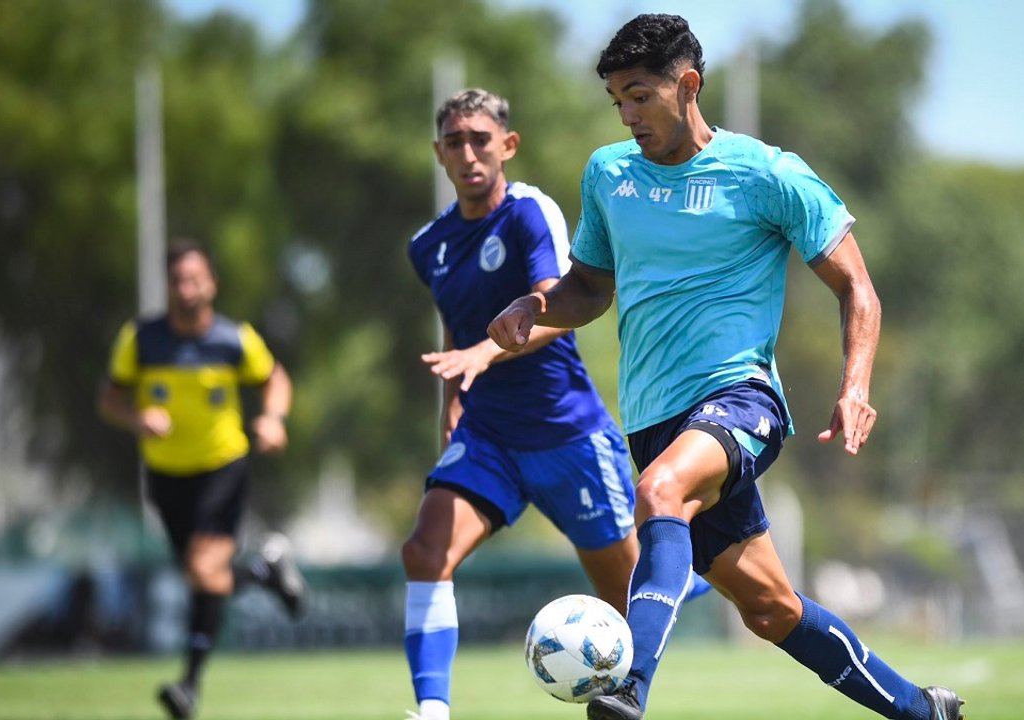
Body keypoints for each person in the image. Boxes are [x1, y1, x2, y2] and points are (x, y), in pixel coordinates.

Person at [489, 14, 965, 720]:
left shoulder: (766, 174)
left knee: (660, 491)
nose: (627, 116)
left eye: (640, 96)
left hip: (741, 401)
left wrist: (855, 385)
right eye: (616, 100)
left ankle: (628, 689)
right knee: (771, 611)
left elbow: (856, 288)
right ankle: (923, 712)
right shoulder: (608, 174)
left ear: (689, 85)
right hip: (652, 418)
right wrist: (535, 305)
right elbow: (591, 287)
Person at [403, 88, 691, 720]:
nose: (469, 153)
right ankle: (431, 710)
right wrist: (454, 398)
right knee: (424, 551)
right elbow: (455, 329)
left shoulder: (530, 212)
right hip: (487, 438)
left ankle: (683, 582)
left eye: (481, 139)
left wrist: (485, 353)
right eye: (455, 142)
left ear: (507, 146)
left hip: (568, 434)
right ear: (439, 153)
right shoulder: (429, 245)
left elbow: (557, 311)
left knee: (628, 592)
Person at [99, 239, 306, 720]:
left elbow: (276, 378)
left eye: (195, 279)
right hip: (166, 476)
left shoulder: (234, 339)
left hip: (222, 467)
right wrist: (136, 417)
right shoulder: (142, 340)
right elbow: (109, 397)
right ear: (167, 286)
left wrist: (273, 419)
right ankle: (263, 572)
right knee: (204, 577)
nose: (186, 289)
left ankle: (189, 686)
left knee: (201, 568)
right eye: (177, 280)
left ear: (211, 284)